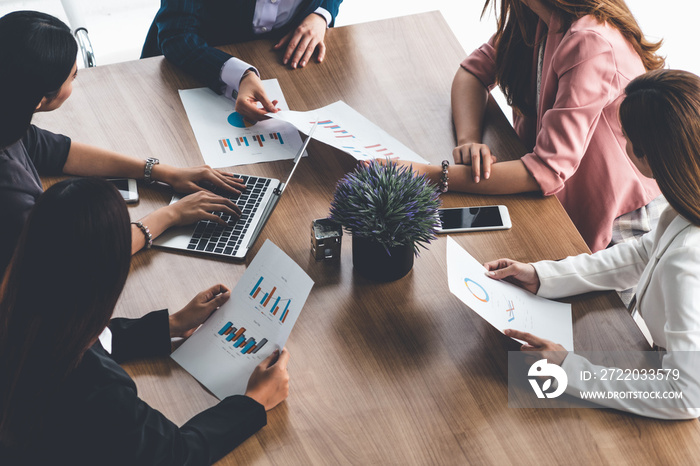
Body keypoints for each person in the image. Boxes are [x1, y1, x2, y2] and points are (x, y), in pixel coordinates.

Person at [0, 177, 291, 464]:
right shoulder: (100, 389)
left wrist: (169, 325)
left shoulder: (22, 314)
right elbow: (176, 455)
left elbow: (70, 333)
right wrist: (254, 402)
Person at [485, 69, 700, 419]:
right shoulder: (684, 205)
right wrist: (542, 276)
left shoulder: (688, 257)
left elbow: (686, 396)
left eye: (624, 135)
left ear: (648, 153)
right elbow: (644, 252)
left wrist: (571, 370)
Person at [389, 0, 666, 253]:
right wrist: (468, 141)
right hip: (553, 201)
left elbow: (546, 170)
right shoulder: (536, 17)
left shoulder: (589, 40)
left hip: (620, 222)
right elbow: (472, 72)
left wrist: (431, 174)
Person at [0, 10, 244, 276]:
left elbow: (54, 150)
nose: (75, 80)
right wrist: (170, 215)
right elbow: (71, 259)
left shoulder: (9, 116)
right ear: (38, 99)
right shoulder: (9, 188)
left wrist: (163, 172)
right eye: (72, 76)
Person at [141, 0, 343, 122]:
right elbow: (177, 35)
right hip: (188, 67)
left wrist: (322, 13)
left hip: (281, 63)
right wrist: (240, 75)